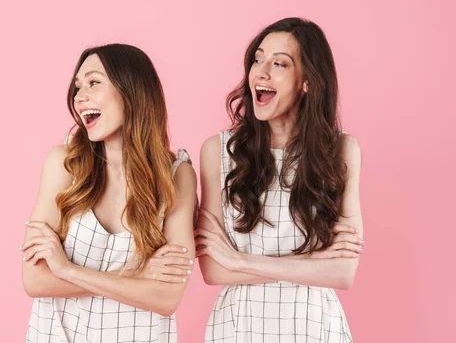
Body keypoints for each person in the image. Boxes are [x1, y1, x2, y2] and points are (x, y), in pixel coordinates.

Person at [197, 18, 363, 342]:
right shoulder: (217, 151)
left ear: (307, 82)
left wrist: (239, 260)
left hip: (315, 327)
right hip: (237, 328)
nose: (261, 72)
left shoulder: (341, 150)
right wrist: (312, 265)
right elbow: (213, 270)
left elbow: (342, 273)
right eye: (258, 59)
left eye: (279, 63)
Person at [21, 44, 197, 343]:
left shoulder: (177, 175)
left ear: (131, 91)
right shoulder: (65, 165)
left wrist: (65, 270)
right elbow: (35, 279)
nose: (79, 97)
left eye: (93, 82)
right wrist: (137, 277)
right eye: (77, 87)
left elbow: (167, 298)